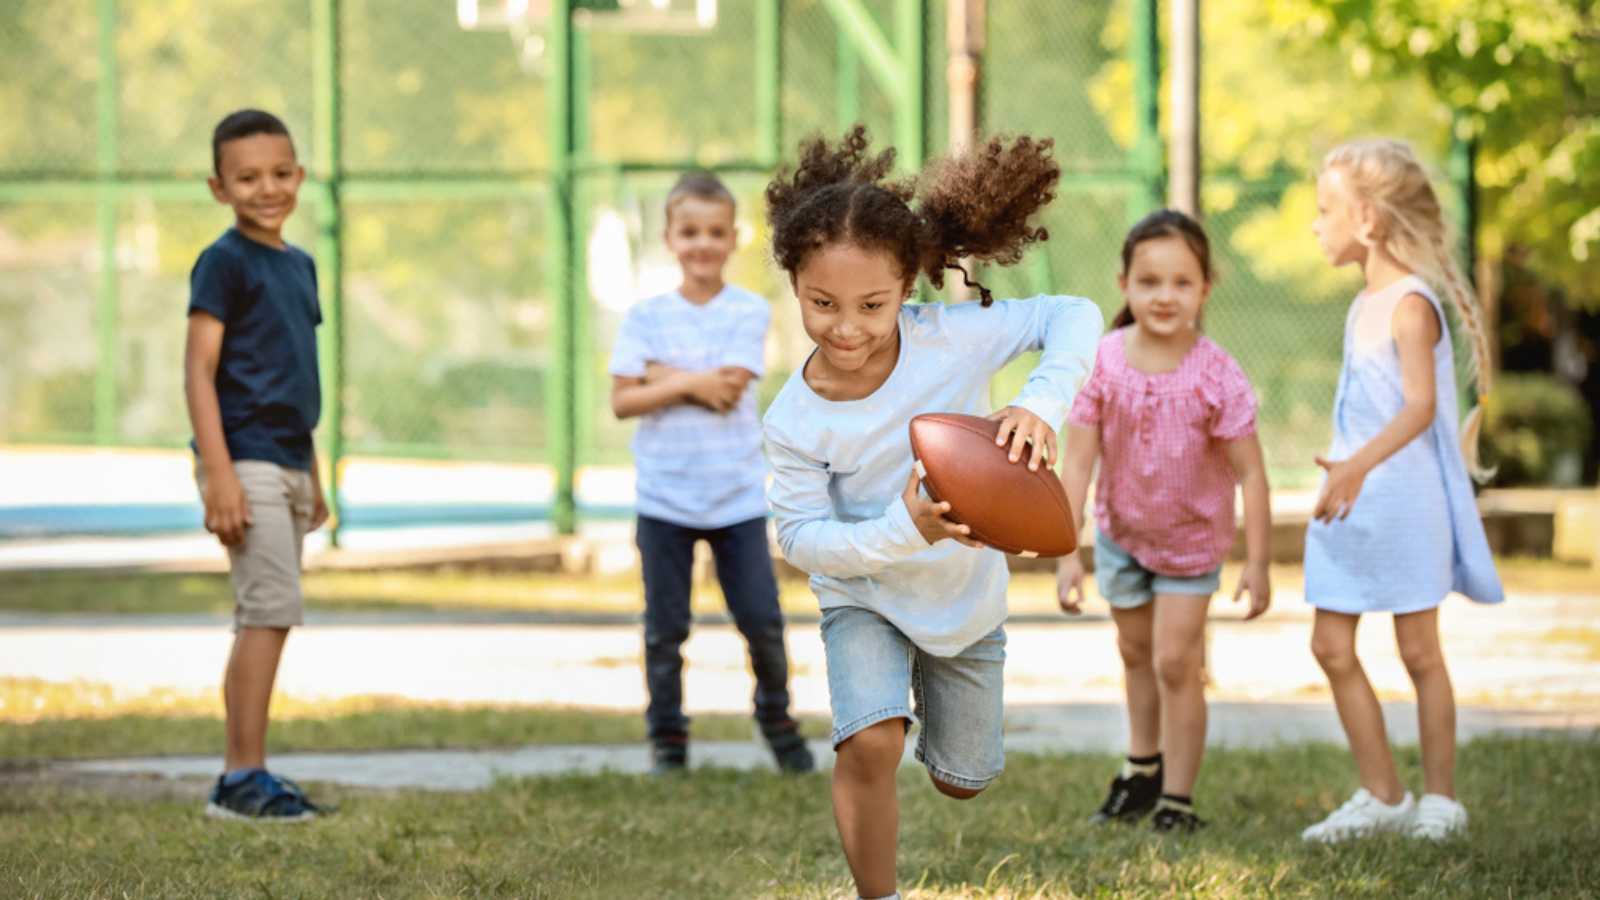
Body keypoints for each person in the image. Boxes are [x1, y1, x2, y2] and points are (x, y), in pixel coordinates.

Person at [761, 126, 1101, 900]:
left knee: (963, 778)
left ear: (909, 285)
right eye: (823, 304)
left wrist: (1039, 403)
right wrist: (904, 529)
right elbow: (802, 539)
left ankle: (941, 725)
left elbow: (1075, 313)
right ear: (794, 286)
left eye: (872, 304)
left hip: (963, 599)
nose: (846, 327)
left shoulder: (949, 340)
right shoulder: (792, 420)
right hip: (866, 596)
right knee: (871, 744)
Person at [1300, 138, 1505, 843]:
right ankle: (1384, 794)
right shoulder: (1363, 304)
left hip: (1404, 504)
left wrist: (1356, 466)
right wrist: (1346, 475)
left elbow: (1419, 407)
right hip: (1352, 509)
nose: (1314, 223)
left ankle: (1441, 800)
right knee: (1330, 645)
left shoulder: (1412, 305)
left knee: (1419, 652)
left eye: (1324, 210)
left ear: (1366, 220)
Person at [1056, 209, 1272, 832]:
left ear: (1206, 287)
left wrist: (1257, 564)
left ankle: (1177, 800)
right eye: (1150, 281)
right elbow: (1077, 467)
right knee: (1134, 653)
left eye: (1182, 282)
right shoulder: (1102, 363)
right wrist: (1066, 552)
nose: (1165, 296)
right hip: (1122, 537)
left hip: (1191, 545)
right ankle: (1141, 771)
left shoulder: (1217, 374)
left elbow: (1252, 474)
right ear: (1124, 284)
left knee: (1176, 662)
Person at [609, 171, 813, 775]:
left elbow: (727, 391)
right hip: (663, 500)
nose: (702, 244)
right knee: (664, 631)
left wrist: (661, 377)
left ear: (733, 238)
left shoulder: (749, 311)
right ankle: (668, 742)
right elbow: (622, 400)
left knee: (762, 622)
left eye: (715, 232)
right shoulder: (644, 315)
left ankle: (778, 723)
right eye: (689, 231)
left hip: (736, 500)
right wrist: (689, 380)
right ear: (669, 238)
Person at [184, 109, 328, 821]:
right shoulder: (224, 262)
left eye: (279, 173)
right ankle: (242, 777)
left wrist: (316, 476)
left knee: (271, 615)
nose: (267, 188)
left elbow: (296, 374)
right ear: (220, 188)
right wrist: (220, 473)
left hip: (289, 461)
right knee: (266, 615)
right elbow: (199, 370)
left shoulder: (298, 265)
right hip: (244, 460)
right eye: (247, 178)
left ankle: (249, 773)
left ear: (299, 176)